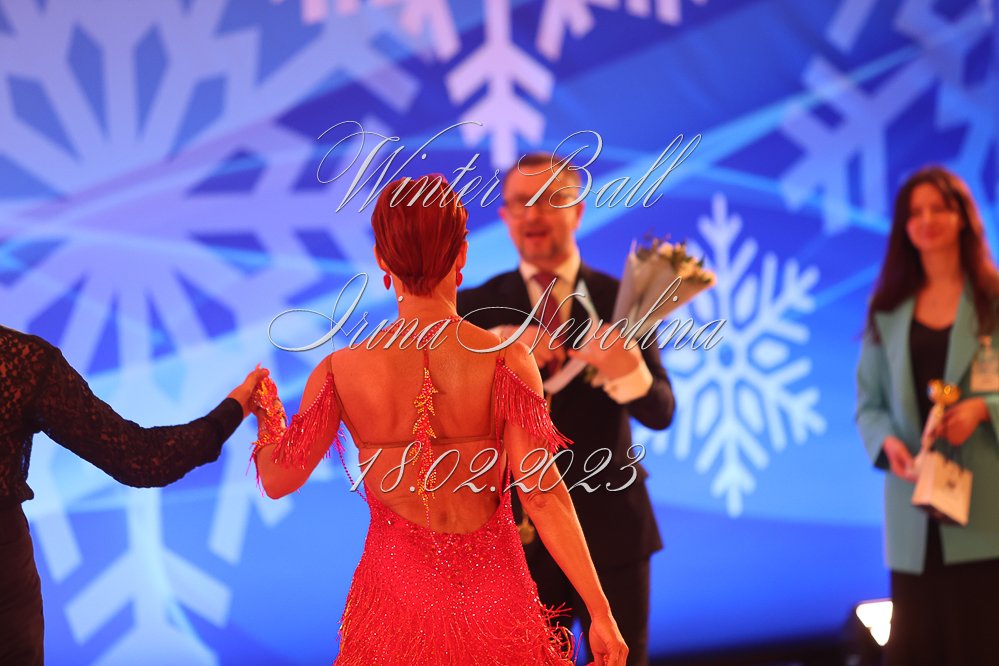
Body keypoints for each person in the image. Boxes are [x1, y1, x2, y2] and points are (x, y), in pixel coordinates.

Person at [252, 174, 628, 665]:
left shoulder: (341, 371)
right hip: (496, 607)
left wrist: (266, 410)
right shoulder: (507, 359)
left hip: (394, 610)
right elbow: (541, 495)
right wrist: (600, 612)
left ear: (382, 260)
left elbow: (278, 478)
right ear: (462, 254)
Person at [457, 154, 675, 666]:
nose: (533, 214)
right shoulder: (473, 309)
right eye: (520, 203)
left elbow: (662, 412)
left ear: (577, 210)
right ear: (505, 216)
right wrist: (498, 351)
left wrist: (628, 370)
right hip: (518, 537)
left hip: (614, 530)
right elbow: (451, 418)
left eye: (550, 200)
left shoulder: (623, 300)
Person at [0, 324, 266, 665]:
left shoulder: (25, 360)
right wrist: (235, 407)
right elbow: (141, 459)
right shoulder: (22, 359)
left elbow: (140, 459)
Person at [855, 165, 999, 666]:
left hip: (985, 513)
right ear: (903, 227)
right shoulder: (887, 307)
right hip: (913, 511)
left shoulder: (993, 301)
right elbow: (869, 404)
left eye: (939, 207)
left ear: (963, 217)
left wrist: (983, 410)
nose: (928, 220)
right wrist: (887, 444)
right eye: (915, 213)